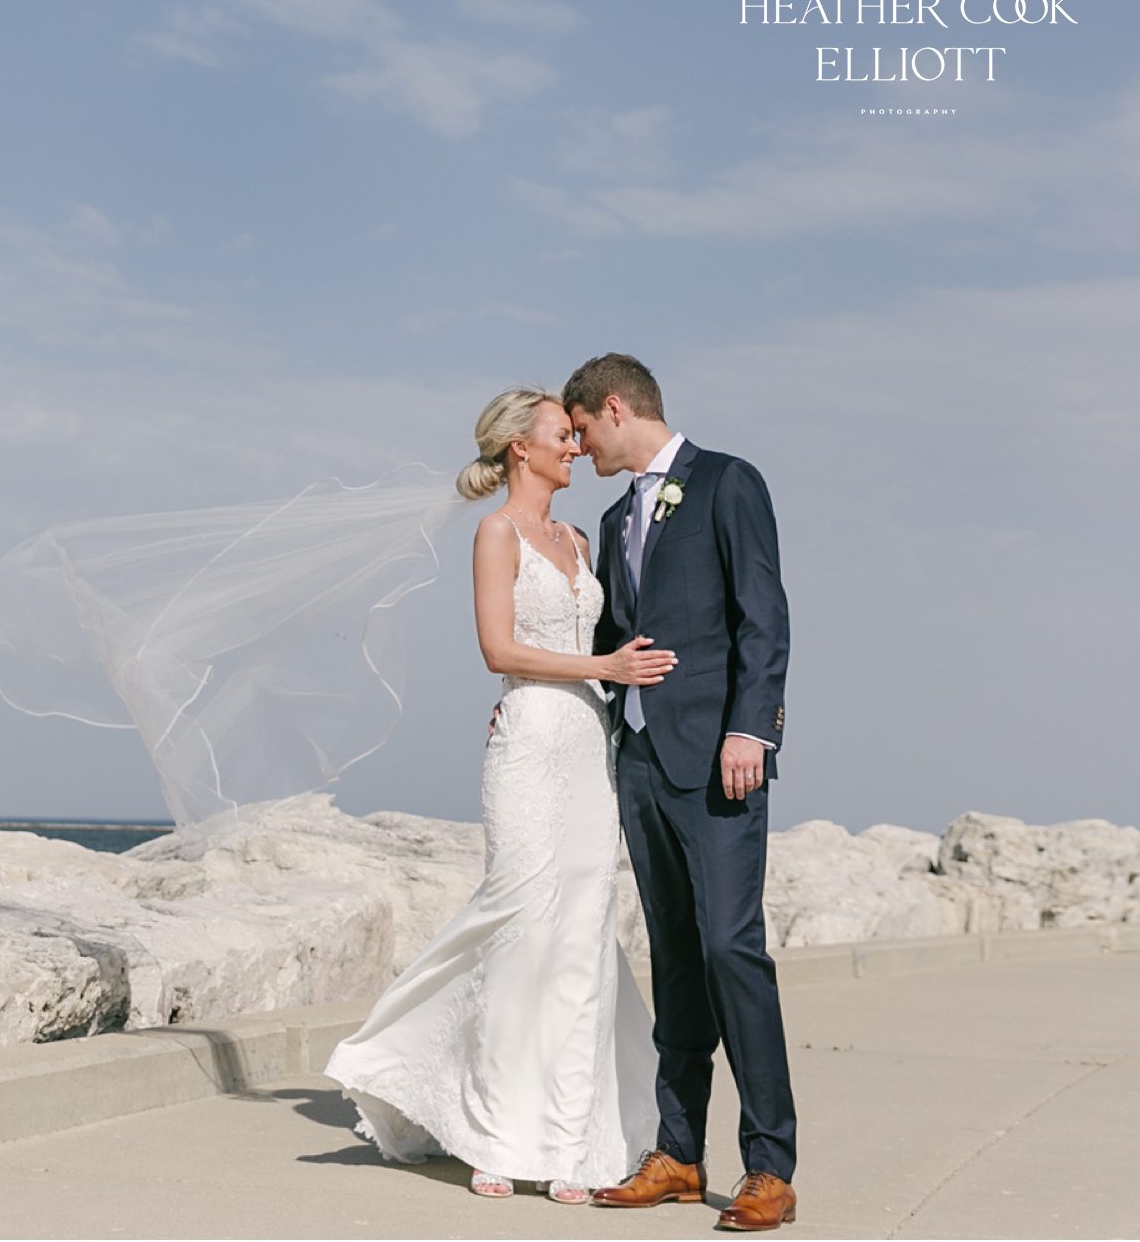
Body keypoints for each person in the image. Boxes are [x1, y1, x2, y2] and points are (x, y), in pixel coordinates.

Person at [322, 385, 672, 1202]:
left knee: (581, 936)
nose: (575, 446)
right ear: (522, 446)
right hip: (528, 747)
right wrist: (600, 668)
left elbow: (611, 640)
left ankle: (570, 1140)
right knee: (517, 922)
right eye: (562, 434)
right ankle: (493, 1126)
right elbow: (498, 648)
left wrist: (609, 676)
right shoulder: (496, 532)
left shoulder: (583, 539)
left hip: (590, 749)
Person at [563, 353, 799, 1232]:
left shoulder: (730, 483)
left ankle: (769, 1164)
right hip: (642, 764)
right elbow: (610, 637)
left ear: (616, 408)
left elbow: (762, 616)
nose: (581, 449)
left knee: (733, 948)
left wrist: (754, 727)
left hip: (720, 758)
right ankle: (678, 1151)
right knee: (673, 954)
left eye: (584, 431)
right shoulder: (617, 511)